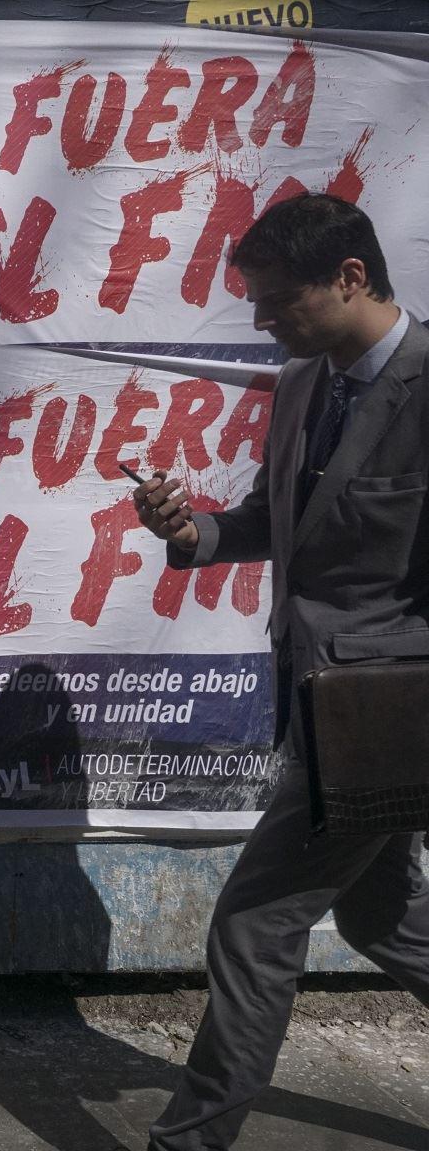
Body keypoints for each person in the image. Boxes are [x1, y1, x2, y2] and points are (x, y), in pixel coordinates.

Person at [134, 193, 429, 1150]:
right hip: (309, 699)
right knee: (385, 919)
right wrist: (189, 530)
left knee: (255, 925)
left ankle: (194, 1140)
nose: (261, 323)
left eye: (275, 303)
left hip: (384, 719)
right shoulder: (304, 381)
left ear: (351, 278)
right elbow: (273, 522)